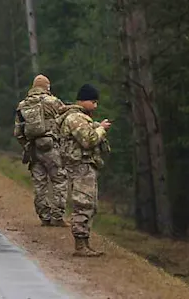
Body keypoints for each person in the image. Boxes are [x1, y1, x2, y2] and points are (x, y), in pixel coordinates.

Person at [60, 84, 112, 257]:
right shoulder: (75, 118)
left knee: (90, 205)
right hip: (80, 167)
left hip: (86, 166)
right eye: (93, 101)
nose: (95, 106)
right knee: (83, 204)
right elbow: (88, 141)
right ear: (83, 100)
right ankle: (80, 245)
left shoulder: (82, 118)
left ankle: (85, 243)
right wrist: (101, 129)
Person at [14, 74, 68, 227]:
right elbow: (66, 123)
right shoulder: (53, 102)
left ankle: (44, 216)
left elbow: (18, 132)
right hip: (52, 147)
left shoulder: (23, 105)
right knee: (59, 180)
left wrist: (27, 145)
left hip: (33, 149)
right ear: (47, 87)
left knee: (40, 184)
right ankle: (57, 217)